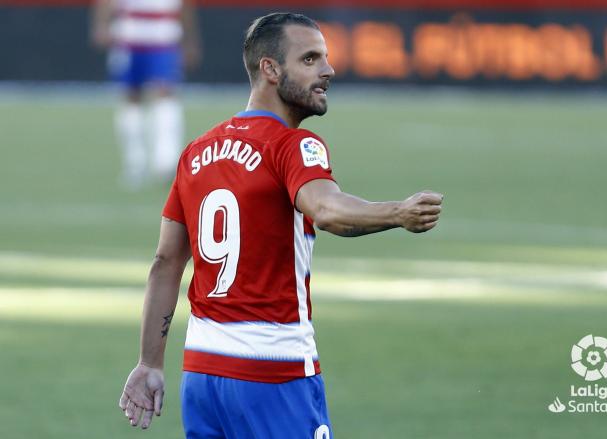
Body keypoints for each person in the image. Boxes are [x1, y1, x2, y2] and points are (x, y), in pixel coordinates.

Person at [118, 12, 443, 438]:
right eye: (310, 59)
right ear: (270, 70)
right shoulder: (293, 146)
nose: (327, 70)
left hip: (201, 375)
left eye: (324, 58)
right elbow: (326, 210)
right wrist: (397, 213)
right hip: (273, 375)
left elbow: (165, 263)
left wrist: (149, 362)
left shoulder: (196, 152)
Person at [91, 0, 201, 189]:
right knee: (131, 98)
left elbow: (185, 6)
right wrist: (101, 25)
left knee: (165, 93)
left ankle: (165, 161)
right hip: (129, 38)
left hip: (163, 38)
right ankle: (135, 164)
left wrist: (190, 40)